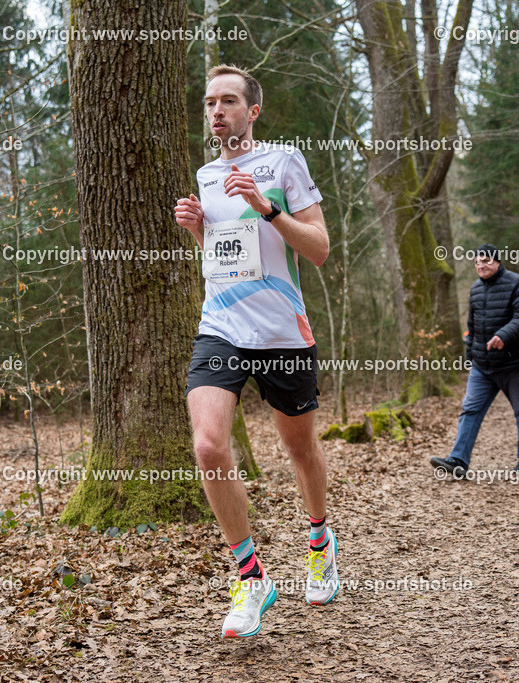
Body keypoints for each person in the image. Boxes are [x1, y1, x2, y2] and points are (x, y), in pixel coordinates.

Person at [174, 64, 337, 638]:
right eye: (209, 103)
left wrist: (270, 210)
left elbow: (317, 249)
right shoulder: (205, 174)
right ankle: (251, 576)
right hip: (221, 325)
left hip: (282, 333)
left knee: (299, 448)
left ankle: (319, 539)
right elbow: (228, 256)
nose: (216, 111)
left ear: (252, 111)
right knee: (209, 446)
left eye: (228, 101)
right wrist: (198, 230)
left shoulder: (284, 162)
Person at [430, 244, 519, 477]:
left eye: (486, 260)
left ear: (497, 262)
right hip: (482, 366)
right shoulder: (475, 288)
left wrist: (503, 335)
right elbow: (472, 326)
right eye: (477, 262)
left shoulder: (516, 282)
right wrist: (470, 357)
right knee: (470, 410)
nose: (481, 265)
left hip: (513, 364)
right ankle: (458, 461)